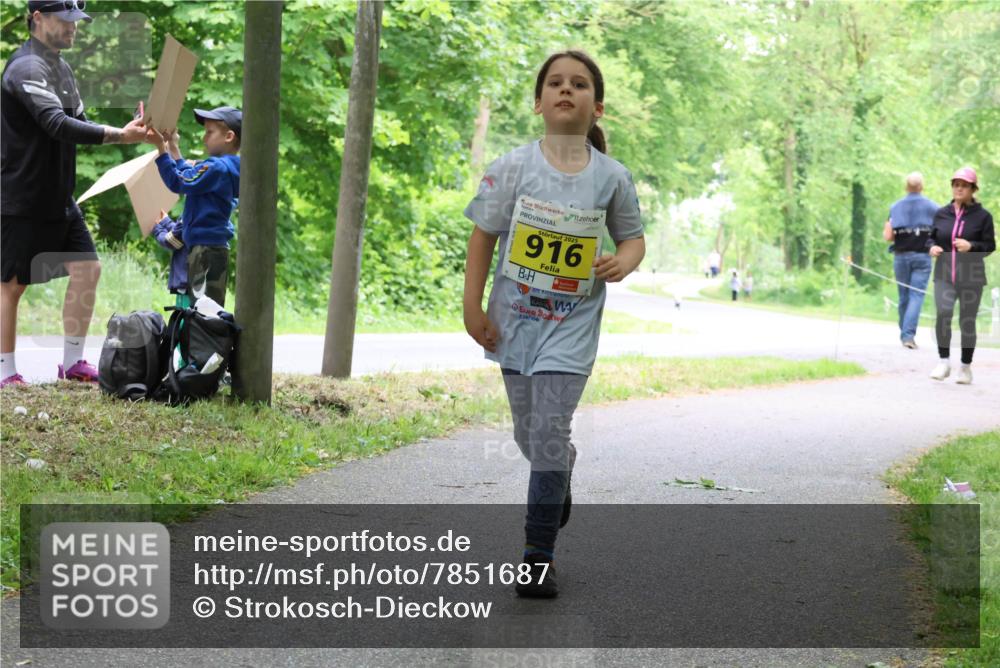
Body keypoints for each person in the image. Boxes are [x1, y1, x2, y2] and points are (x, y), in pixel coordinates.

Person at [463, 51, 644, 598]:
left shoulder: (613, 177)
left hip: (572, 326)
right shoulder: (514, 167)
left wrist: (623, 262)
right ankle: (559, 473)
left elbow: (633, 239)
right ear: (539, 102)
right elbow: (482, 239)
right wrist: (471, 307)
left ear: (597, 106)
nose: (568, 90)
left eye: (580, 84)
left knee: (547, 433)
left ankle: (536, 557)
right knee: (529, 433)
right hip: (514, 323)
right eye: (556, 83)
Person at [1, 0, 148, 387]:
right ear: (37, 19)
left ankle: (72, 364)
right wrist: (120, 135)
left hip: (58, 198)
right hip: (21, 197)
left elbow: (79, 122)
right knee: (12, 285)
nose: (73, 28)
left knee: (87, 269)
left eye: (76, 21)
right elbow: (56, 124)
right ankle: (5, 373)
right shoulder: (25, 68)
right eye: (64, 20)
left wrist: (127, 128)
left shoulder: (60, 67)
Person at [145, 107, 241, 308]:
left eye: (209, 132)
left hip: (204, 251)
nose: (204, 138)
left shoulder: (217, 167)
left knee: (200, 313)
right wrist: (174, 148)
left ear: (229, 136)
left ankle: (199, 340)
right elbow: (192, 177)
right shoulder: (227, 168)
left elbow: (180, 182)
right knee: (207, 310)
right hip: (213, 248)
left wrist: (161, 150)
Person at [927, 167, 995, 384]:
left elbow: (990, 246)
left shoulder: (983, 217)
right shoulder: (941, 213)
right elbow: (930, 238)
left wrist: (971, 246)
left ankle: (965, 367)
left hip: (971, 277)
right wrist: (932, 247)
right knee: (943, 313)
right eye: (956, 184)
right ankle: (943, 362)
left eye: (964, 185)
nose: (959, 188)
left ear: (973, 189)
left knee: (967, 321)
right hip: (944, 275)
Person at [883, 172, 937, 349]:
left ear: (906, 187)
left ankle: (905, 333)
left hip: (901, 256)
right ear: (921, 187)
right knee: (916, 295)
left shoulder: (895, 207)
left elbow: (888, 236)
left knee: (904, 296)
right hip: (922, 256)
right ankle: (908, 335)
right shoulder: (933, 208)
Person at [150, 209, 190, 308]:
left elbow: (173, 240)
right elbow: (183, 233)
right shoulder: (211, 207)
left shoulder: (192, 208)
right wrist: (166, 221)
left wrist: (156, 229)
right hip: (206, 281)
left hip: (189, 283)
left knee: (187, 319)